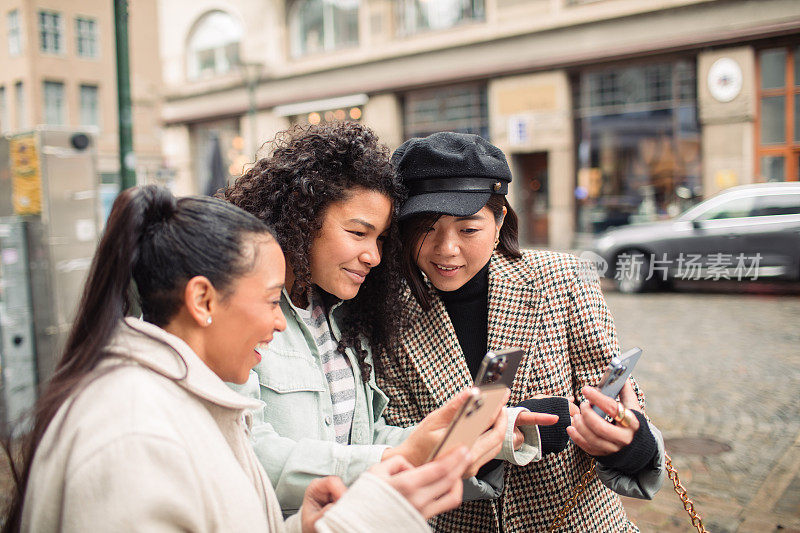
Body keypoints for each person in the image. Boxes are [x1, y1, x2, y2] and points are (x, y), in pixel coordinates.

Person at [2, 185, 474, 533]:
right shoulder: (133, 435)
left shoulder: (176, 402)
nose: (281, 323)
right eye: (272, 301)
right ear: (203, 300)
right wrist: (358, 522)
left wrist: (304, 526)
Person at [220, 122, 557, 515]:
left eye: (381, 239)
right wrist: (387, 461)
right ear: (302, 217)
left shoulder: (344, 316)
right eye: (358, 233)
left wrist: (491, 430)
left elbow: (366, 436)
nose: (374, 257)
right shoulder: (240, 311)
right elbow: (247, 451)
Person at [376, 132, 667, 532]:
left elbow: (615, 397)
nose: (446, 249)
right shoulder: (385, 314)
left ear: (499, 223)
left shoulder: (562, 279)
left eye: (468, 229)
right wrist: (516, 432)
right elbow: (404, 444)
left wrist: (630, 444)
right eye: (426, 228)